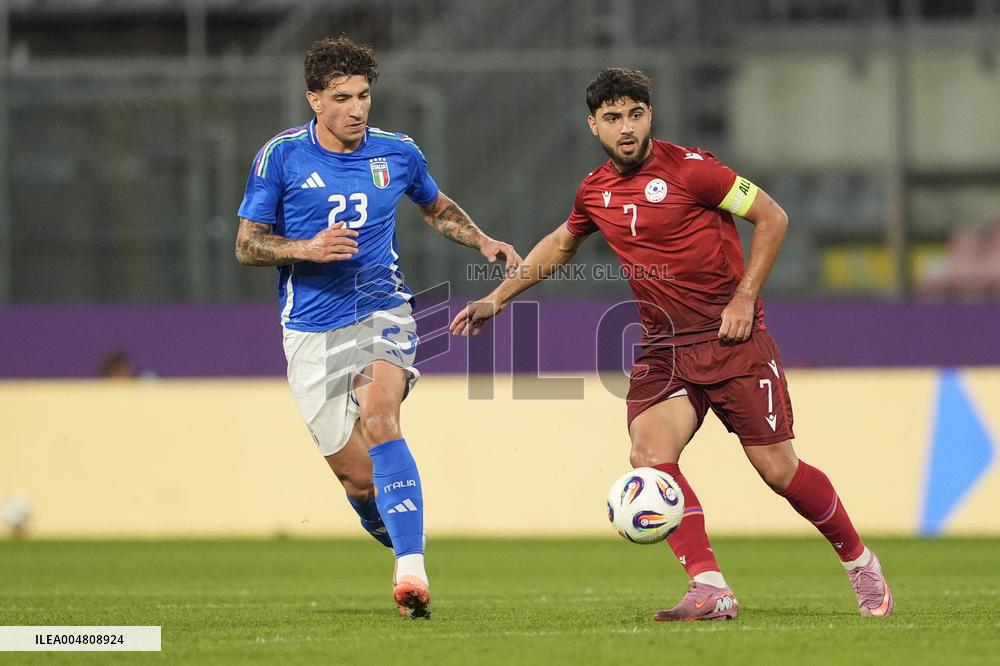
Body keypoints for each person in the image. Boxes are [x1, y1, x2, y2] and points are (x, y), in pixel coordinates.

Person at [450, 67, 892, 621]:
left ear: (649, 115)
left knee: (779, 472)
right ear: (594, 125)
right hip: (665, 350)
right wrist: (497, 299)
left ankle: (860, 563)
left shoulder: (694, 170)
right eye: (612, 118)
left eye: (635, 114)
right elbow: (562, 244)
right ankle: (710, 587)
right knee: (649, 458)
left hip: (732, 339)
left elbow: (772, 217)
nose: (626, 127)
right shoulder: (596, 190)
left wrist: (744, 297)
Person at [235, 35, 520, 619]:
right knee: (360, 482)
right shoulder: (282, 156)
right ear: (314, 99)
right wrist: (306, 248)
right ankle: (393, 526)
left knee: (381, 415)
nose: (358, 109)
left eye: (365, 95)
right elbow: (246, 244)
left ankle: (411, 572)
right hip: (311, 330)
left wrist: (482, 238)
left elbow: (436, 208)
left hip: (380, 309)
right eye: (342, 97)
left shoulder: (397, 153)